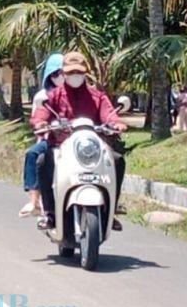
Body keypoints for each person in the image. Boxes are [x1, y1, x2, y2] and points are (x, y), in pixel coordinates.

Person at [31, 52, 128, 231]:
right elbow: (42, 114)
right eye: (70, 72)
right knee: (43, 161)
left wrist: (116, 123)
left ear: (85, 73)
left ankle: (111, 210)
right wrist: (41, 122)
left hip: (91, 148)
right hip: (61, 146)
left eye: (79, 72)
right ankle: (50, 213)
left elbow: (108, 113)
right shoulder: (54, 96)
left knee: (117, 160)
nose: (74, 76)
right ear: (64, 73)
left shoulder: (97, 96)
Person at [19, 53, 64, 218]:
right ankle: (34, 201)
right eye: (57, 74)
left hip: (79, 142)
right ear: (51, 77)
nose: (62, 77)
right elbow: (38, 117)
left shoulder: (85, 94)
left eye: (65, 72)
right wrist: (40, 123)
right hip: (53, 140)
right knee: (33, 154)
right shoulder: (44, 97)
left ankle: (110, 205)